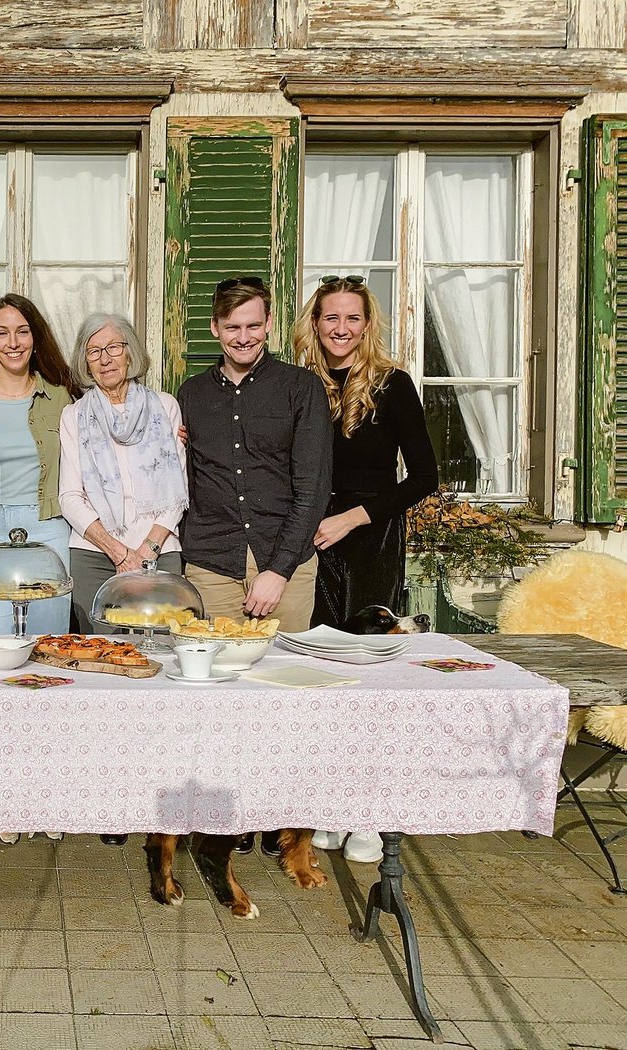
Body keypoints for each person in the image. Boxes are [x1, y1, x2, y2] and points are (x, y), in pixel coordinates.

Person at [178, 275, 333, 856]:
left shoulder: (301, 389)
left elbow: (313, 487)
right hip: (212, 559)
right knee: (217, 691)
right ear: (215, 329)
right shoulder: (191, 395)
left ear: (268, 325)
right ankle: (227, 813)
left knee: (281, 691)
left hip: (284, 561)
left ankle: (284, 819)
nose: (242, 336)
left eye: (252, 325)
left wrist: (277, 568)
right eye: (231, 327)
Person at [295, 275, 438, 865]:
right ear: (315, 321)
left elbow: (426, 477)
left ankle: (370, 813)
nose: (341, 329)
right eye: (331, 317)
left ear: (367, 323)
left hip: (369, 538)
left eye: (352, 318)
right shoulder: (298, 384)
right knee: (320, 679)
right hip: (309, 542)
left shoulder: (393, 385)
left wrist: (354, 517)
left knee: (370, 680)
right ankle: (329, 802)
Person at [0, 294, 83, 639]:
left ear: (34, 338)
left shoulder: (61, 396)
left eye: (22, 332)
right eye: (2, 333)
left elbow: (101, 438)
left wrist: (168, 430)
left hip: (49, 525)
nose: (13, 343)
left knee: (48, 639)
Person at [60, 312, 187, 635]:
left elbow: (177, 489)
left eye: (114, 348)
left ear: (130, 352)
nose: (105, 359)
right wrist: (119, 552)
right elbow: (70, 497)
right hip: (94, 555)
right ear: (85, 362)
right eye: (94, 351)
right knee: (103, 656)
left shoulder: (166, 406)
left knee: (160, 650)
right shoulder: (74, 415)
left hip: (159, 549)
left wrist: (146, 552)